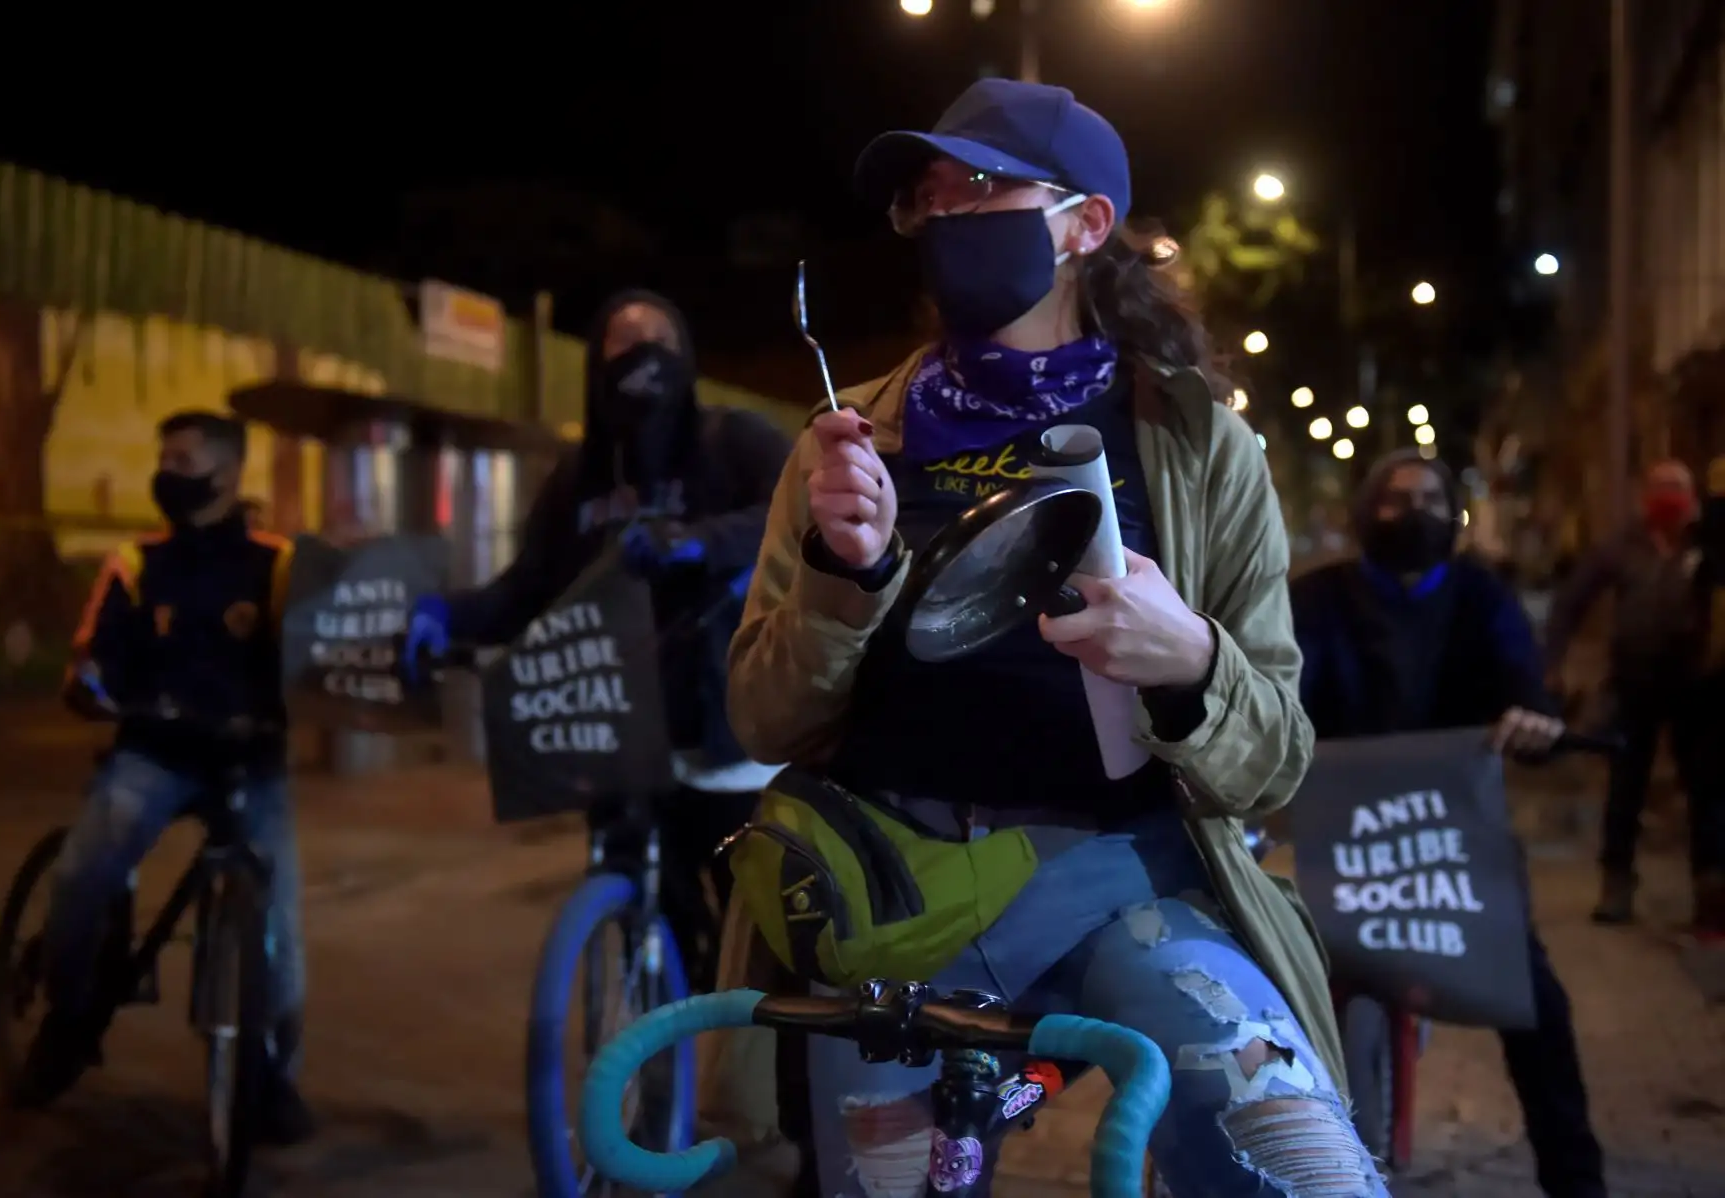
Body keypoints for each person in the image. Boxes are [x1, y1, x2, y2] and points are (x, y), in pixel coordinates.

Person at [725, 78, 1380, 1197]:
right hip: (897, 901)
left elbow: (1275, 759)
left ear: (1085, 225)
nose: (946, 215)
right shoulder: (849, 443)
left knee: (1300, 1167)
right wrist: (848, 576)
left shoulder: (1195, 443)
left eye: (981, 186)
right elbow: (762, 720)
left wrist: (1193, 663)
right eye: (928, 196)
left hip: (1129, 884)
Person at [401, 289, 792, 988]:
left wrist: (698, 541)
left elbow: (795, 509)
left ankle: (751, 1038)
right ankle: (659, 1034)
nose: (642, 356)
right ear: (595, 363)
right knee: (652, 915)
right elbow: (528, 590)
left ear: (686, 355)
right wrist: (447, 617)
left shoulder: (732, 440)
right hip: (617, 730)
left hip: (723, 739)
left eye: (659, 340)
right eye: (623, 342)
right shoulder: (577, 481)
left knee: (758, 940)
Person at [1290, 450, 1607, 1198]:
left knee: (1535, 998)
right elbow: (1281, 690)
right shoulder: (1317, 600)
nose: (1416, 513)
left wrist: (1534, 721)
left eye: (1432, 499)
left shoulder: (1481, 595)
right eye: (1396, 499)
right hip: (1343, 845)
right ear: (1365, 513)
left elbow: (1522, 682)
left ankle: (1577, 1180)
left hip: (1457, 844)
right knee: (1282, 996)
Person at [22, 411, 314, 1144]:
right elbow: (94, 655)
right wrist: (90, 686)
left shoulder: (280, 564)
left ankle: (271, 1075)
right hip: (155, 754)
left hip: (249, 761)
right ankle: (68, 1016)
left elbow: (321, 651)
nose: (167, 473)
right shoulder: (135, 561)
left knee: (278, 927)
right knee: (83, 870)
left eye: (184, 460)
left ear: (228, 473)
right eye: (165, 459)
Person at [1545, 459, 1724, 931]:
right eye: (1660, 486)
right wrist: (1552, 662)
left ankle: (1710, 888)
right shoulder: (1621, 546)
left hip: (1696, 685)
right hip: (1635, 681)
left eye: (1677, 487)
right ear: (1644, 496)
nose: (1669, 496)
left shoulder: (1709, 545)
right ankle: (1617, 881)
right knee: (1626, 785)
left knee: (1706, 789)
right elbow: (1572, 601)